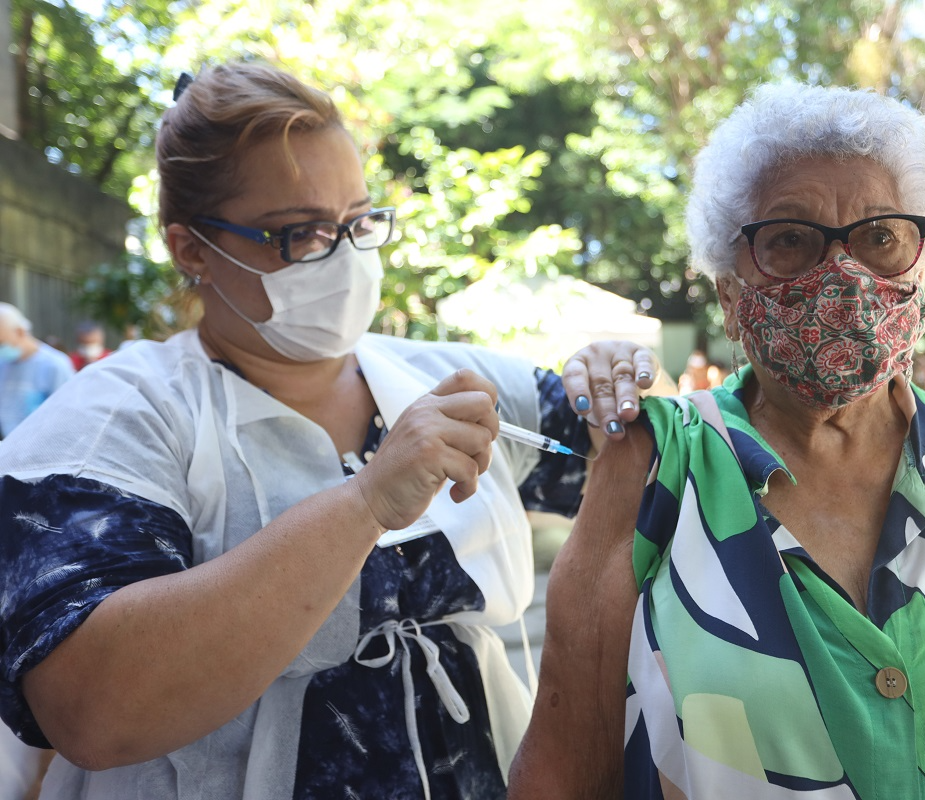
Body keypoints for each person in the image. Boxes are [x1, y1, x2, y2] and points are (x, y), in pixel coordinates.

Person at [0, 61, 657, 800]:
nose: (343, 259)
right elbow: (92, 709)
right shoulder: (115, 422)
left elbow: (636, 444)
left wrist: (619, 379)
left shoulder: (438, 377)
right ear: (191, 250)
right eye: (300, 235)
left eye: (358, 221)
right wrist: (365, 504)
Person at [510, 82, 925, 799]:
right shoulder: (657, 464)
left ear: (919, 270)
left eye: (879, 237)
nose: (843, 277)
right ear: (730, 293)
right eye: (791, 239)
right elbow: (560, 778)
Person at [0, 302, 75, 439]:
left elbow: (68, 417)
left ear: (20, 332)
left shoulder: (54, 365)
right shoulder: (3, 363)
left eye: (1, 343)